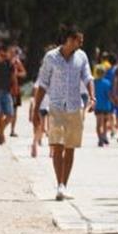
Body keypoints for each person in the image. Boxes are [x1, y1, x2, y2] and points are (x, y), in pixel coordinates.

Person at [31, 26, 94, 201]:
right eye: (78, 40)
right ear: (69, 39)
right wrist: (36, 108)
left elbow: (88, 77)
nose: (81, 43)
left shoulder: (82, 57)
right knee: (57, 145)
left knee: (70, 147)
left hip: (75, 106)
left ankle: (64, 185)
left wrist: (93, 96)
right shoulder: (51, 57)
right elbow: (43, 83)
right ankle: (59, 184)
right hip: (56, 106)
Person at [0, 43, 15, 145]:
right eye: (1, 55)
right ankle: (0, 138)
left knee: (10, 115)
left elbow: (13, 76)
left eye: (5, 55)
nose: (3, 57)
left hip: (7, 92)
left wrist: (15, 88)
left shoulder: (9, 64)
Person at [94, 53, 115, 146]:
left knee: (98, 123)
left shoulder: (94, 83)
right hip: (106, 105)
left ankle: (100, 139)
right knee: (105, 122)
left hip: (98, 105)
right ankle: (104, 136)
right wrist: (114, 101)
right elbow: (109, 94)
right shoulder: (107, 83)